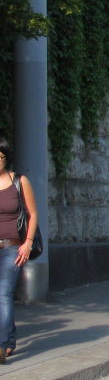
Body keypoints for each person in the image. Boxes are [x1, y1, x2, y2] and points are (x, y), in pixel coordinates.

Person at [0, 137, 36, 364]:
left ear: (6, 158)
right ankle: (10, 339)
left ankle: (2, 346)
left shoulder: (20, 181)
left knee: (3, 295)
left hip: (12, 247)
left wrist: (28, 242)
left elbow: (32, 214)